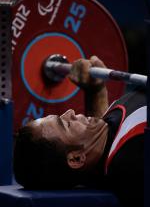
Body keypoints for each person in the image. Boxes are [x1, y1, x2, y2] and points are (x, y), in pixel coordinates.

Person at [14, 56, 145, 207]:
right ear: (76, 159)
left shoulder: (104, 136)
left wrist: (95, 91)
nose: (70, 112)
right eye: (66, 124)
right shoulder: (133, 162)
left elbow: (101, 138)